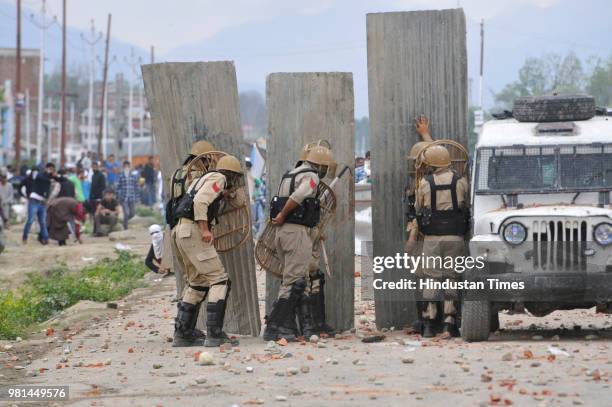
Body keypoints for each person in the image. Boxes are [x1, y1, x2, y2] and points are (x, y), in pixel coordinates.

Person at [172, 154, 243, 348]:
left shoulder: (202, 178)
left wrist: (223, 195)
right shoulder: (219, 178)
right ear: (231, 174)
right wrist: (204, 229)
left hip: (181, 231)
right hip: (194, 231)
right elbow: (201, 202)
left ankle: (183, 333)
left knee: (197, 282)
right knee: (219, 279)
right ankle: (214, 334)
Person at [263, 145, 334, 342]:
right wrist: (284, 214)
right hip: (295, 232)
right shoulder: (311, 176)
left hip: (283, 233)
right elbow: (297, 197)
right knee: (294, 282)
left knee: (297, 279)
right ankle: (275, 328)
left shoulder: (290, 174)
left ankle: (299, 328)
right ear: (320, 165)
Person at [415, 144, 469, 338]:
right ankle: (450, 323)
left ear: (431, 164)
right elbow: (465, 205)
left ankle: (429, 324)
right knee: (452, 278)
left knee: (431, 278)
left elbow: (419, 207)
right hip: (455, 237)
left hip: (432, 239)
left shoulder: (425, 183)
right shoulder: (461, 182)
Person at [166, 140, 216, 303]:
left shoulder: (177, 173)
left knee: (191, 279)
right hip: (191, 230)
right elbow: (199, 201)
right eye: (208, 161)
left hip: (175, 229)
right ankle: (185, 326)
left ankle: (186, 324)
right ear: (202, 160)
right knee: (202, 281)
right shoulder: (198, 176)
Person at [22, 163, 55, 245]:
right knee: (30, 220)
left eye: (52, 169)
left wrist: (54, 176)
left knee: (43, 222)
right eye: (49, 168)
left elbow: (58, 180)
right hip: (34, 200)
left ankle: (46, 239)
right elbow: (40, 177)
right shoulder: (40, 175)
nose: (50, 170)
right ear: (46, 168)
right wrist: (49, 177)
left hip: (42, 202)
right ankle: (24, 237)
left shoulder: (50, 177)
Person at [116, 161, 140, 230]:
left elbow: (136, 187)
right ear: (123, 167)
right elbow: (118, 187)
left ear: (130, 167)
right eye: (125, 166)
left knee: (132, 213)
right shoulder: (121, 176)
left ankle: (125, 221)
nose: (126, 167)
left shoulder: (133, 176)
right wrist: (118, 197)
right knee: (126, 213)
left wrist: (137, 198)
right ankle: (125, 227)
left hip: (132, 197)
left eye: (128, 166)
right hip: (124, 198)